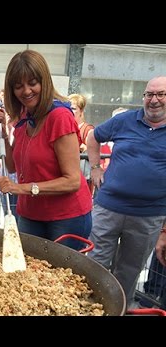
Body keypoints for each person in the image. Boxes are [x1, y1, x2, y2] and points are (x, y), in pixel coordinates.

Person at [0, 50, 92, 250]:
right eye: (18, 86)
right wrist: (4, 133)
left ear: (44, 82)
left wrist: (20, 188)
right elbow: (12, 166)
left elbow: (73, 181)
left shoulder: (59, 117)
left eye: (32, 83)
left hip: (66, 217)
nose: (26, 91)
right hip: (31, 214)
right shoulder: (24, 115)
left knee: (61, 277)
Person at [86, 76, 166, 308]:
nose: (154, 100)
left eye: (161, 94)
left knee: (130, 270)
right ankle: (90, 306)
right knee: (96, 262)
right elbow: (93, 137)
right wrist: (94, 168)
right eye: (149, 94)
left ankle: (118, 308)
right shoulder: (124, 120)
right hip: (108, 207)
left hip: (149, 215)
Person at [68, 94, 95, 194]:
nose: (70, 111)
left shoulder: (87, 129)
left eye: (74, 108)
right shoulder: (64, 126)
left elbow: (93, 148)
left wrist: (76, 145)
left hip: (81, 175)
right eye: (68, 107)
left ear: (81, 111)